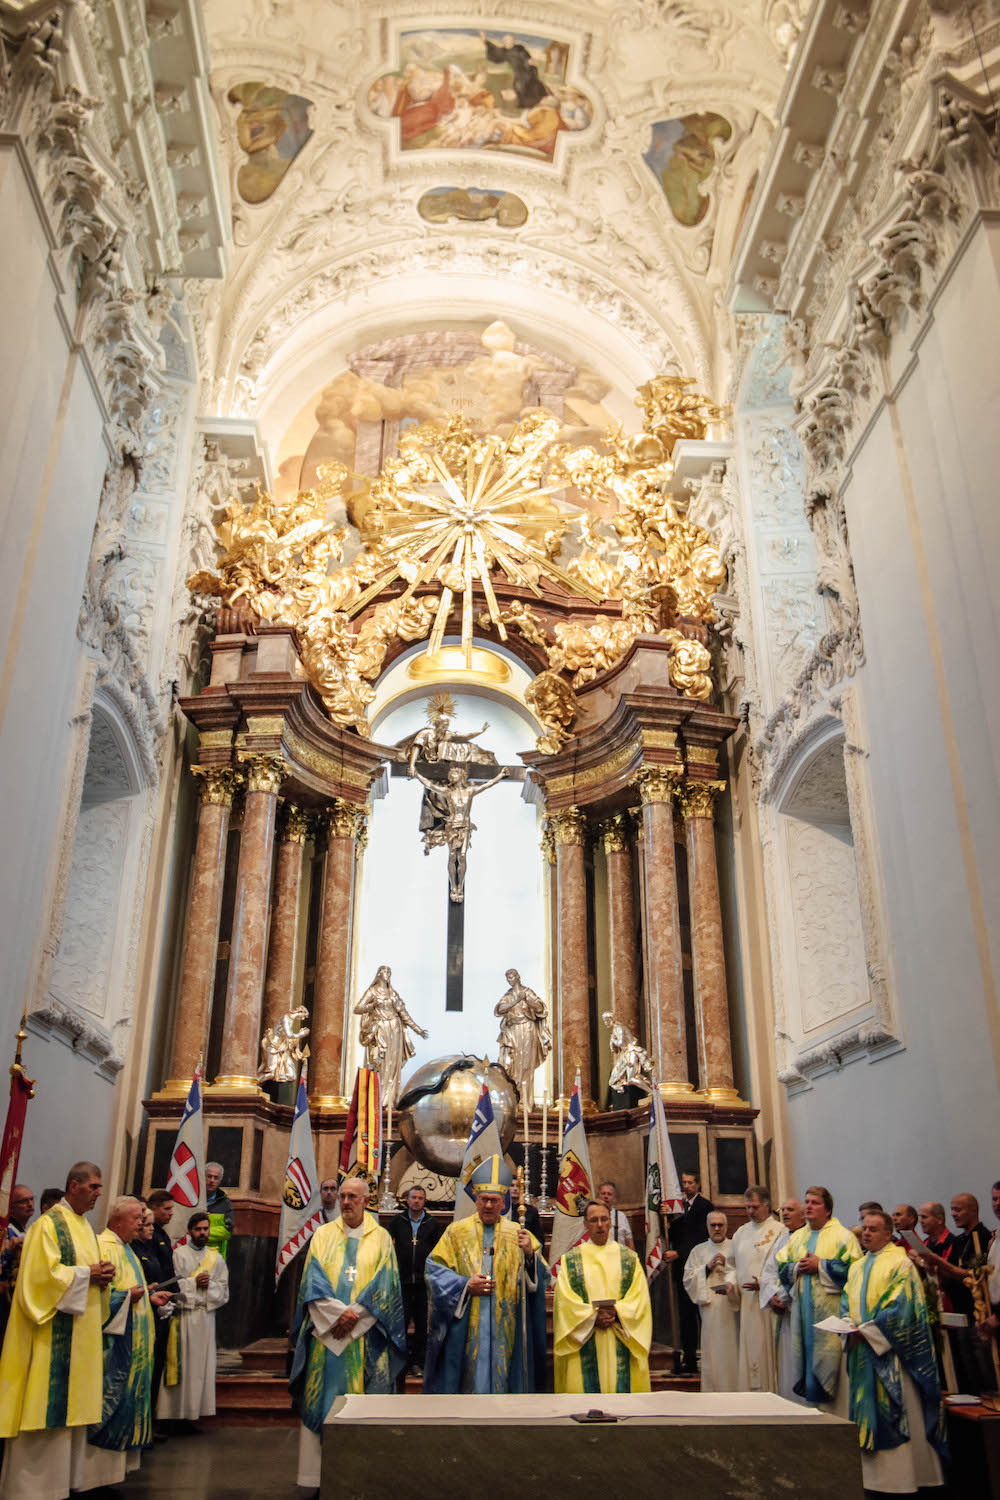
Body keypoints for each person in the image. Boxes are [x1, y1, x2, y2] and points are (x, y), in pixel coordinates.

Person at [0, 1161, 114, 1498]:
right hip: (50, 1341)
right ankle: (29, 1490)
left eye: (99, 1187)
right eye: (93, 1186)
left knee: (69, 1422)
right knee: (43, 1415)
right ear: (73, 1185)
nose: (98, 1193)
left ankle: (60, 1488)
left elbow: (85, 1273)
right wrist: (86, 1275)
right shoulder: (48, 1226)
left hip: (79, 1338)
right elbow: (37, 1280)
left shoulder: (83, 1227)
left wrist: (101, 1276)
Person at [290, 1177, 406, 1491]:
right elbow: (312, 1282)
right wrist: (339, 1315)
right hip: (326, 1339)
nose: (345, 1202)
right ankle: (316, 1479)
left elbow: (387, 1285)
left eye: (352, 1196)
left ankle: (362, 1477)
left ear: (366, 1200)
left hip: (365, 1339)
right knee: (323, 1400)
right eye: (342, 1196)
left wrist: (356, 1316)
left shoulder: (381, 1237)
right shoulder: (322, 1235)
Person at [424, 1155, 549, 1394]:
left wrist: (530, 1256)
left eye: (494, 1200)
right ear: (476, 1201)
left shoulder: (519, 1234)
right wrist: (464, 1285)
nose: (489, 1205)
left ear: (504, 1203)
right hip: (467, 1326)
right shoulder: (456, 1232)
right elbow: (433, 1270)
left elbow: (541, 1279)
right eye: (484, 1200)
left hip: (507, 1326)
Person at [842, 1210, 946, 1493]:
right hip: (862, 1353)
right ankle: (870, 1480)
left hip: (891, 1357)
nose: (866, 1233)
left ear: (889, 1234)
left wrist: (868, 1331)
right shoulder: (856, 1267)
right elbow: (845, 1303)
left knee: (898, 1413)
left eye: (874, 1229)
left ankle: (901, 1480)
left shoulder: (900, 1263)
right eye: (864, 1228)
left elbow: (904, 1309)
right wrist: (846, 1325)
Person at [87, 1196, 172, 1486]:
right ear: (119, 1220)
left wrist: (148, 1296)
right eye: (137, 1218)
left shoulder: (127, 1250)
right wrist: (126, 1297)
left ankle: (115, 1474)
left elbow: (129, 1290)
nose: (141, 1224)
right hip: (116, 1348)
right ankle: (96, 1477)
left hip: (135, 1342)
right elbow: (95, 1297)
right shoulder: (104, 1247)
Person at [776, 1184, 863, 1411]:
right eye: (807, 1202)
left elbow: (855, 1272)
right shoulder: (797, 1237)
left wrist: (821, 1266)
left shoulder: (843, 1236)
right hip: (802, 1315)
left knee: (829, 1368)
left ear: (828, 1209)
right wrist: (797, 1268)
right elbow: (782, 1266)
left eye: (815, 1203)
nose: (808, 1207)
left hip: (831, 1315)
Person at [553, 1200, 651, 1393]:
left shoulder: (629, 1258)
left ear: (610, 1223)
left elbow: (639, 1298)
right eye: (594, 1220)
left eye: (604, 1219)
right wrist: (592, 1317)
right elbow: (564, 1301)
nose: (599, 1225)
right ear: (585, 1224)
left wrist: (617, 1312)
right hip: (585, 1338)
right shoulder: (571, 1259)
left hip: (620, 1333)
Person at [914, 1192, 995, 1392]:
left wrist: (936, 1260)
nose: (954, 1214)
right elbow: (950, 1272)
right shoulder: (959, 1241)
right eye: (952, 1210)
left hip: (978, 1315)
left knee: (986, 1374)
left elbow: (971, 1276)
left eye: (958, 1210)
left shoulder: (984, 1237)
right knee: (967, 1375)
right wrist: (931, 1267)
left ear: (974, 1210)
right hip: (959, 1313)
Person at [157, 1210, 229, 1429]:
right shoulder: (179, 1254)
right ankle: (173, 1416)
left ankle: (192, 1414)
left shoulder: (216, 1257)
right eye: (198, 1229)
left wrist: (210, 1286)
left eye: (205, 1229)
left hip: (205, 1317)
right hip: (184, 1317)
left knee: (199, 1369)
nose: (202, 1233)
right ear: (189, 1231)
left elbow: (224, 1289)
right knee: (182, 1367)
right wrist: (194, 1283)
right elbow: (173, 1284)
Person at [725, 1185, 783, 1392]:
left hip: (769, 1305)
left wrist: (766, 1286)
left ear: (767, 1205)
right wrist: (730, 1283)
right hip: (748, 1305)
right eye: (747, 1207)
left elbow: (784, 1268)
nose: (750, 1211)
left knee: (767, 1351)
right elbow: (731, 1265)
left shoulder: (779, 1232)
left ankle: (772, 1394)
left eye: (755, 1207)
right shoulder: (741, 1232)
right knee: (750, 1350)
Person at [386, 1186, 443, 1376]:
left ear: (424, 1201)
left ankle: (418, 1362)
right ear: (407, 1200)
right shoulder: (397, 1221)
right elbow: (388, 1248)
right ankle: (400, 1362)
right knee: (400, 1323)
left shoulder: (432, 1223)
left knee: (421, 1326)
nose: (416, 1201)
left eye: (420, 1198)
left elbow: (438, 1252)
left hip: (422, 1283)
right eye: (413, 1197)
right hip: (401, 1282)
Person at [354, 966, 428, 1107]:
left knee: (393, 1064)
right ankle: (376, 1099)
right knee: (379, 1063)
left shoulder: (392, 994)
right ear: (378, 974)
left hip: (395, 1030)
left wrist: (418, 1029)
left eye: (389, 972)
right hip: (380, 1030)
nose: (387, 974)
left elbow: (403, 1013)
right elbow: (357, 1009)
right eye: (385, 971)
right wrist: (372, 1006)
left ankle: (389, 1100)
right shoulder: (372, 992)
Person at [683, 1210, 739, 1391]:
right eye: (713, 1225)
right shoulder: (698, 1251)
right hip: (710, 1309)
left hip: (732, 1308)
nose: (716, 1228)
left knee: (733, 1351)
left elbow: (743, 1272)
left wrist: (728, 1265)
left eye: (720, 1225)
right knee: (713, 1352)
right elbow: (688, 1279)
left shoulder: (735, 1247)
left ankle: (735, 1390)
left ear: (726, 1226)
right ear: (707, 1227)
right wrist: (706, 1268)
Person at [759, 1197, 808, 1403]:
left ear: (803, 1214)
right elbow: (768, 1271)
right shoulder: (781, 1239)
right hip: (785, 1313)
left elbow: (801, 1274)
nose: (785, 1213)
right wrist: (772, 1297)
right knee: (787, 1364)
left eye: (790, 1210)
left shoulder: (809, 1238)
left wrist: (784, 1296)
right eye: (783, 1210)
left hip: (802, 1311)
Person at [665, 1170, 713, 1376]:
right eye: (684, 1182)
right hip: (681, 1271)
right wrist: (666, 1215)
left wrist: (679, 1252)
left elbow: (702, 1237)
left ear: (698, 1184)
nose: (686, 1186)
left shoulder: (705, 1207)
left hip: (700, 1268)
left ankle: (710, 1358)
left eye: (690, 1182)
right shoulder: (678, 1207)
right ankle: (689, 1360)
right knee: (685, 1318)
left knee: (703, 1316)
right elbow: (675, 1233)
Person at [139, 1190, 177, 1424]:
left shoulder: (161, 1235)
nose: (172, 1213)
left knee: (156, 1367)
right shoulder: (143, 1243)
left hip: (161, 1303)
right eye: (167, 1209)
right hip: (148, 1307)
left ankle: (149, 1421)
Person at [494, 969, 551, 1108]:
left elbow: (540, 1008)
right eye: (507, 977)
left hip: (527, 1029)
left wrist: (526, 1000)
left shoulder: (527, 992)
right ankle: (513, 1100)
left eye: (512, 976)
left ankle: (525, 1101)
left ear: (518, 977)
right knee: (512, 1066)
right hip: (513, 1031)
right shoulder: (508, 995)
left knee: (526, 1065)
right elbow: (500, 1010)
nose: (510, 979)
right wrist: (516, 1001)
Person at [0, 1184, 34, 1341]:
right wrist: (9, 1248)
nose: (30, 1204)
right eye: (23, 1201)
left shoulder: (28, 1232)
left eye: (31, 1199)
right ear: (11, 1208)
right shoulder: (5, 1231)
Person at [204, 1162, 234, 1259]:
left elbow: (228, 1231)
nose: (211, 1180)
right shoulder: (191, 1199)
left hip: (215, 1258)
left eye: (216, 1178)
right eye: (209, 1176)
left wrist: (201, 1234)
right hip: (192, 1255)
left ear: (219, 1181)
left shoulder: (225, 1203)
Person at [597, 1181, 635, 1249]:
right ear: (598, 1196)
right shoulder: (591, 1216)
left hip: (619, 1256)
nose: (606, 1196)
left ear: (614, 1198)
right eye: (603, 1193)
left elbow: (629, 1242)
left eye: (609, 1194)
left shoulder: (621, 1216)